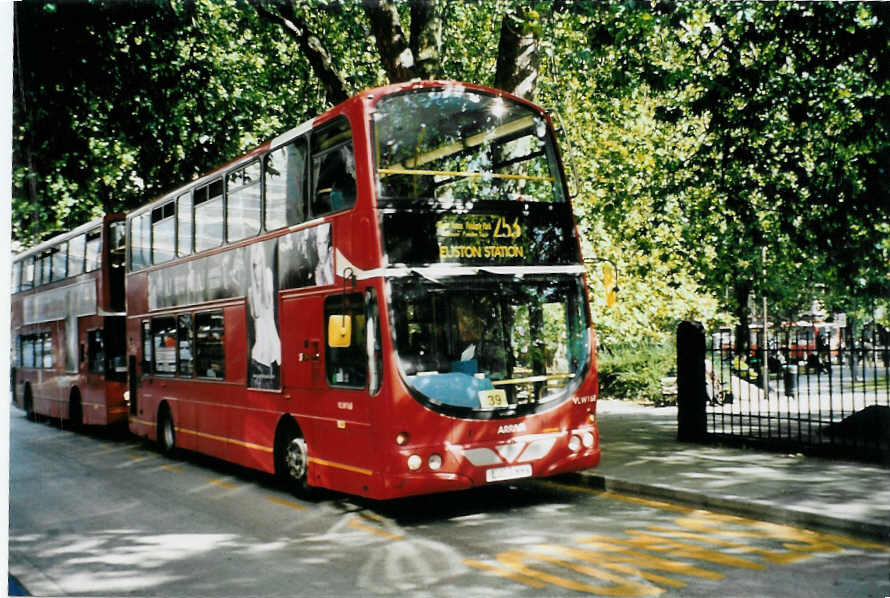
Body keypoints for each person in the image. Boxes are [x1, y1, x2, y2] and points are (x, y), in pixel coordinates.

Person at [248, 243, 281, 389]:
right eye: (254, 266)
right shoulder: (251, 291)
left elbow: (268, 304)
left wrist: (261, 284)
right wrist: (255, 289)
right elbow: (257, 313)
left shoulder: (268, 276)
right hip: (259, 360)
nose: (257, 271)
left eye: (260, 264)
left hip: (272, 356)